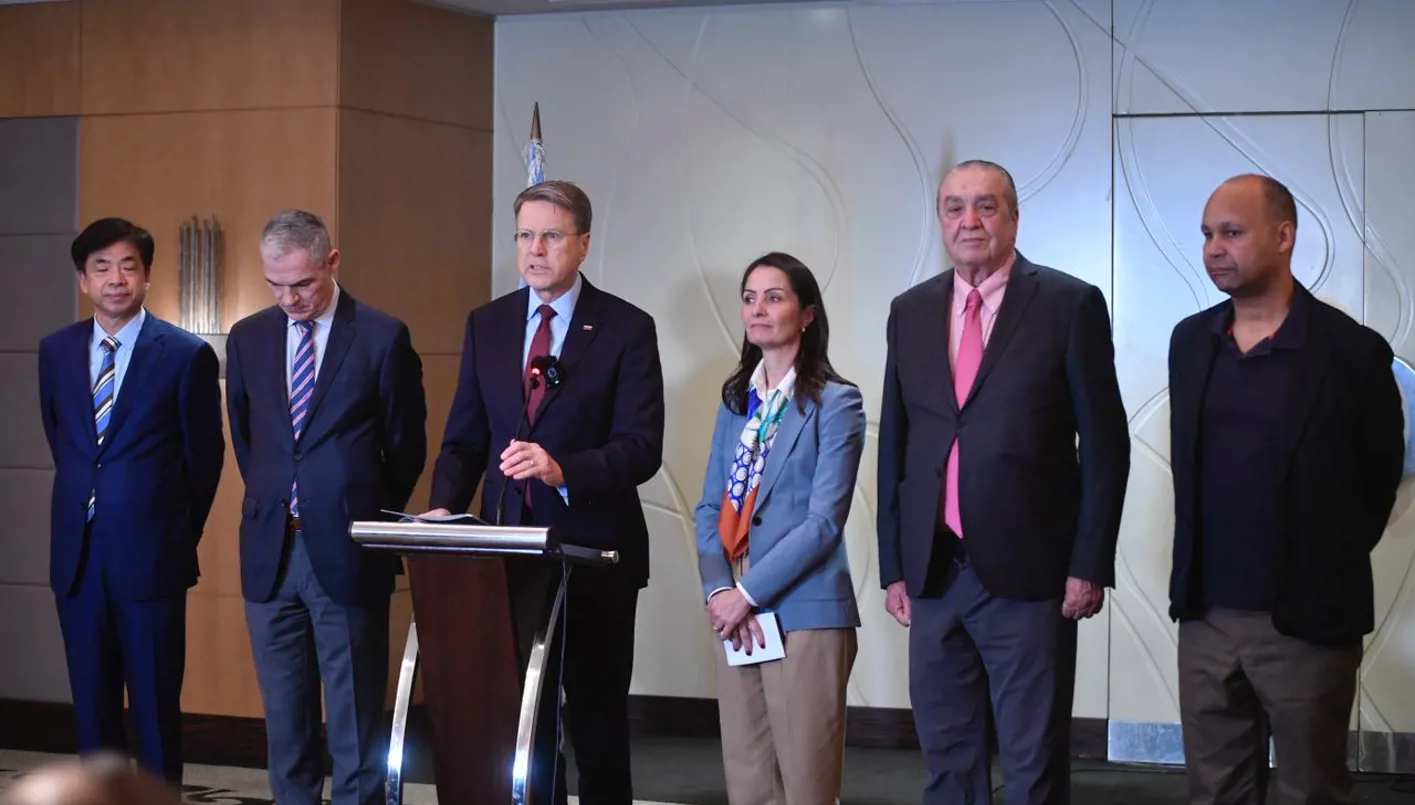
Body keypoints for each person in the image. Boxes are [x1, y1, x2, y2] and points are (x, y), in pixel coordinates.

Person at [876, 160, 1131, 805]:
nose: (969, 221)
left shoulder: (1068, 304)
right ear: (940, 220)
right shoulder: (910, 311)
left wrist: (1089, 564)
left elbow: (1106, 447)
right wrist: (894, 566)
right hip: (934, 572)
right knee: (947, 761)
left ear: (1014, 218)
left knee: (1031, 764)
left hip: (1032, 577)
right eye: (954, 207)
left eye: (986, 206)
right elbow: (897, 446)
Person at [424, 179, 665, 805]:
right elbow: (464, 439)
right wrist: (444, 510)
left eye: (551, 236)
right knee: (523, 725)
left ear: (583, 244)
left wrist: (564, 470)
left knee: (596, 719)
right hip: (507, 557)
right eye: (525, 236)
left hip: (592, 556)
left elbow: (642, 447)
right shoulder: (488, 324)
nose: (535, 250)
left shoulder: (626, 328)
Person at [1167, 174, 1404, 805]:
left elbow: (1378, 478)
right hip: (1207, 616)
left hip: (1306, 621)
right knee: (1215, 791)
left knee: (1311, 790)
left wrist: (1326, 562)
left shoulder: (1352, 352)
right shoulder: (1190, 342)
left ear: (1283, 236)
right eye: (1207, 234)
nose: (1215, 248)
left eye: (1232, 232)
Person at [225, 209, 427, 805]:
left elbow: (406, 448)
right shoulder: (248, 337)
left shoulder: (381, 336)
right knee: (286, 728)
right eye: (275, 285)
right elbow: (249, 440)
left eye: (303, 284)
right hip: (270, 550)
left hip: (347, 549)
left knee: (354, 728)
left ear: (331, 262)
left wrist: (355, 511)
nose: (289, 298)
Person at [37, 218, 225, 785]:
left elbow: (204, 460)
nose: (115, 279)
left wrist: (174, 533)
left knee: (154, 708)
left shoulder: (184, 354)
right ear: (83, 280)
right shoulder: (56, 350)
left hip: (152, 558)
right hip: (78, 557)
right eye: (102, 267)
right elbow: (66, 444)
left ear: (146, 276)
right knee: (92, 708)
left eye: (127, 266)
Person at [694, 252, 866, 805]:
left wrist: (746, 593)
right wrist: (719, 590)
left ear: (807, 314)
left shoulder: (836, 402)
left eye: (774, 297)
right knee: (749, 780)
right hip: (733, 607)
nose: (758, 310)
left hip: (802, 606)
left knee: (806, 784)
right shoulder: (736, 401)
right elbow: (709, 507)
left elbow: (824, 523)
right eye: (750, 298)